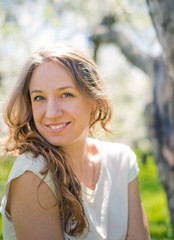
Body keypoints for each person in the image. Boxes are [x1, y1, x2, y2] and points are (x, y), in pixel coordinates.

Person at [1, 42, 150, 240]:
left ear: (93, 100)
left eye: (66, 94)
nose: (51, 112)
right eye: (39, 98)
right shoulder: (33, 173)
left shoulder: (122, 161)